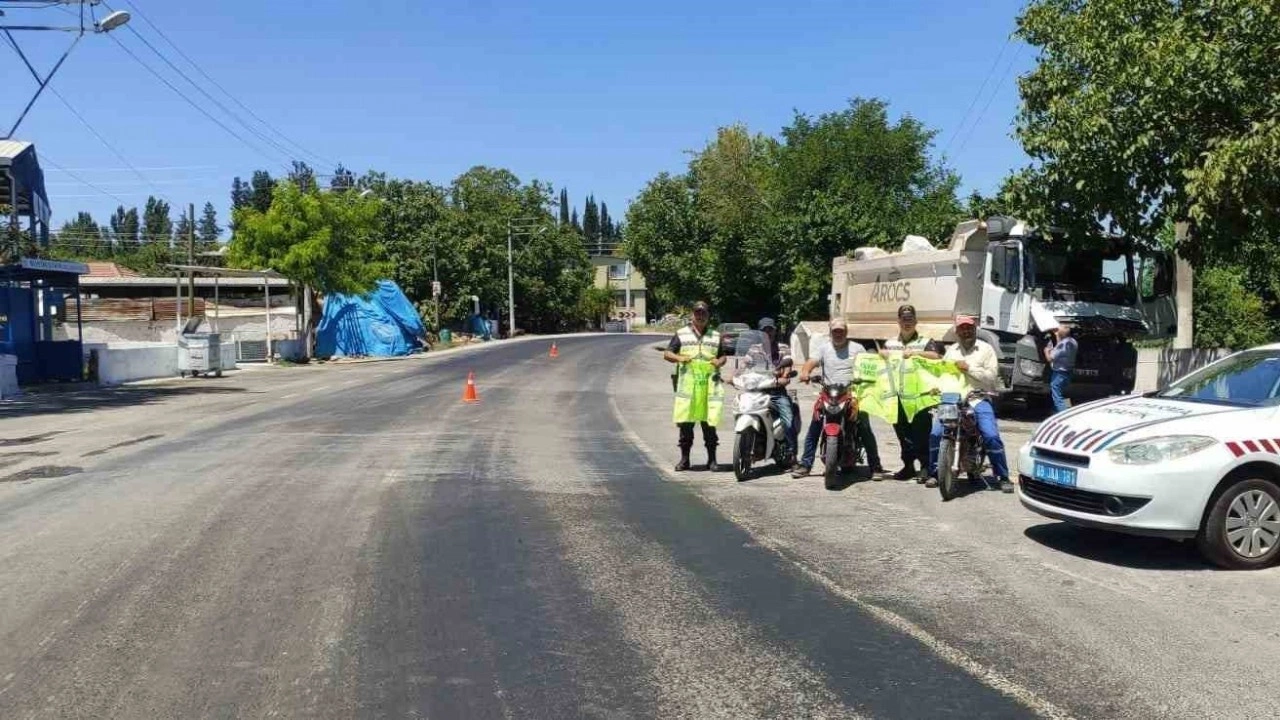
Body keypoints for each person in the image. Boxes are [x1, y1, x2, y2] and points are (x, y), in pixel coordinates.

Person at [927, 314, 1012, 492]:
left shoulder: (986, 349)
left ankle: (1002, 476)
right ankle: (935, 473)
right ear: (957, 331)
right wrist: (935, 387)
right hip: (952, 400)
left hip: (977, 398)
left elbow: (991, 378)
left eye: (969, 328)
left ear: (975, 329)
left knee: (990, 435)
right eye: (962, 328)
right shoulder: (951, 351)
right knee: (936, 433)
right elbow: (943, 373)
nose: (966, 331)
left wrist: (969, 368)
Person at [792, 318, 885, 478]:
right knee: (815, 426)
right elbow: (811, 361)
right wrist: (805, 372)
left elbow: (869, 365)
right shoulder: (824, 348)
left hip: (852, 394)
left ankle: (875, 466)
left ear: (846, 332)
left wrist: (872, 372)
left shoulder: (857, 348)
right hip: (828, 393)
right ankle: (805, 464)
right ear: (831, 332)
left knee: (864, 426)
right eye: (835, 331)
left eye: (841, 331)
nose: (838, 334)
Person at [663, 301, 728, 471]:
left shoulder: (715, 335)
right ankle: (685, 460)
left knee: (709, 424)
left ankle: (712, 460)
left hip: (709, 386)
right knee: (686, 424)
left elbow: (723, 357)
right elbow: (667, 353)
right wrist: (679, 358)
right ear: (692, 315)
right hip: (688, 387)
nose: (700, 316)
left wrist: (718, 362)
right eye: (697, 313)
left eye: (703, 313)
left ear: (708, 315)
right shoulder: (681, 334)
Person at [881, 304, 942, 482]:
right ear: (898, 321)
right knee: (903, 434)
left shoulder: (925, 341)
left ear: (916, 321)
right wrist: (880, 354)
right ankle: (908, 466)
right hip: (896, 396)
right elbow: (880, 363)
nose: (907, 322)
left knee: (922, 433)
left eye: (910, 319)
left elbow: (937, 357)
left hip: (918, 397)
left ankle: (925, 467)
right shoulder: (891, 343)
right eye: (904, 319)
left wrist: (915, 353)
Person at [759, 317, 800, 460]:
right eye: (764, 330)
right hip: (757, 392)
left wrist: (785, 375)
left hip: (777, 392)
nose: (768, 333)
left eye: (770, 329)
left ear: (775, 331)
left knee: (788, 419)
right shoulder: (754, 349)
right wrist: (734, 377)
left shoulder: (783, 347)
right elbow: (745, 365)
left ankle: (792, 453)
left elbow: (788, 363)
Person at [1044, 323, 1078, 414]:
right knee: (1061, 394)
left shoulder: (1062, 345)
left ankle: (1063, 415)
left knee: (1057, 396)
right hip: (1068, 372)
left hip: (1059, 373)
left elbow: (1050, 358)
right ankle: (1055, 413)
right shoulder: (1073, 342)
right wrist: (1058, 336)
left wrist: (1046, 351)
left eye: (1057, 330)